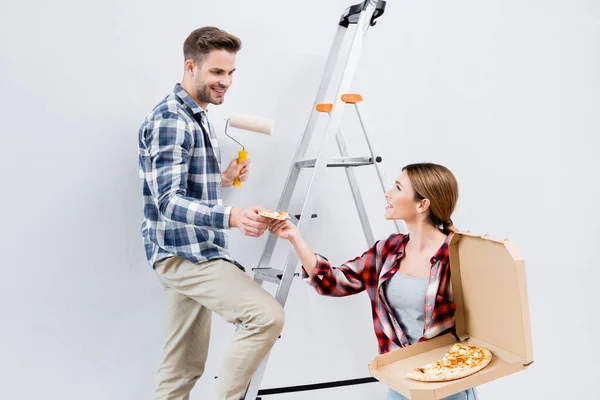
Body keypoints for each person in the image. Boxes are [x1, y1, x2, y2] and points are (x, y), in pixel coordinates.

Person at [138, 27, 284, 400]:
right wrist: (232, 216)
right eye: (218, 73)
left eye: (231, 73)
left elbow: (181, 185)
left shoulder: (197, 115)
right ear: (192, 67)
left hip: (193, 249)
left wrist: (222, 178)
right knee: (266, 316)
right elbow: (167, 200)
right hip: (184, 254)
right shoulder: (171, 119)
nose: (226, 82)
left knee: (181, 369)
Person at [269, 162, 478, 400]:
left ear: (422, 204)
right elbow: (333, 282)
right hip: (402, 384)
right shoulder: (387, 250)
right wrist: (295, 237)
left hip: (448, 386)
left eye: (398, 188)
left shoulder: (459, 256)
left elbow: (485, 327)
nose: (388, 193)